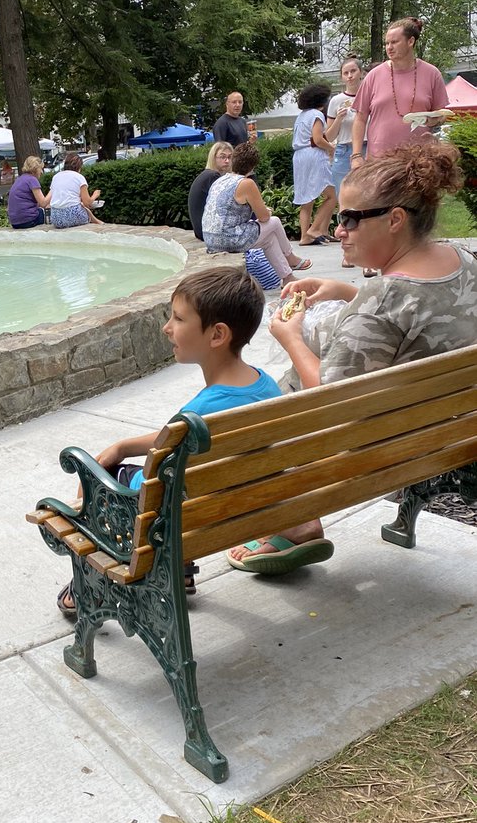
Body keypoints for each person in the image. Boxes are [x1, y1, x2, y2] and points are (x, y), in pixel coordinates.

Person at [228, 141, 477, 574]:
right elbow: (420, 313)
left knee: (261, 404)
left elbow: (330, 402)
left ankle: (299, 522)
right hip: (451, 432)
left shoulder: (384, 298)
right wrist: (348, 291)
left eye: (350, 218)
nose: (338, 230)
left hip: (382, 451)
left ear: (395, 219)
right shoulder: (463, 261)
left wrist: (290, 337)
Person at [57, 267, 282, 616]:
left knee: (98, 482)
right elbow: (168, 441)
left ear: (217, 334)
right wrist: (123, 445)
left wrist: (113, 460)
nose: (167, 327)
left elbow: (158, 470)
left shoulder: (200, 412)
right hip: (233, 510)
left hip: (184, 518)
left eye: (178, 318)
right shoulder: (265, 387)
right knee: (162, 480)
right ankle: (181, 571)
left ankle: (90, 581)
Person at [201, 142, 312, 285]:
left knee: (269, 239)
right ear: (253, 167)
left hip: (211, 238)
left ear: (233, 161)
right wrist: (266, 211)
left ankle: (288, 278)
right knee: (275, 221)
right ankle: (291, 258)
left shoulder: (220, 180)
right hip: (229, 238)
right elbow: (264, 217)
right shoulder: (246, 183)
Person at [350, 17, 448, 166]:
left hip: (419, 162)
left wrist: (434, 119)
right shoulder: (373, 76)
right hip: (380, 162)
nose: (389, 47)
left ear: (410, 41)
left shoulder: (432, 73)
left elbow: (442, 114)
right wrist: (356, 156)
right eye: (387, 43)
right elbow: (360, 118)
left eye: (394, 42)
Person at [325, 57, 364, 267]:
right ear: (342, 76)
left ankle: (367, 252)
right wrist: (339, 118)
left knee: (368, 199)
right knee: (344, 201)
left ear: (360, 72)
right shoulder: (336, 101)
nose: (349, 76)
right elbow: (328, 136)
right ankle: (347, 251)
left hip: (366, 147)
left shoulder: (369, 95)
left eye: (353, 71)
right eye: (345, 73)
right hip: (343, 149)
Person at [292, 83, 338, 246]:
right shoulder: (316, 116)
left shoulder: (301, 116)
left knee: (307, 199)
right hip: (314, 156)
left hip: (299, 157)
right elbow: (318, 139)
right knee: (332, 194)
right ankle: (317, 229)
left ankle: (305, 236)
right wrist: (331, 148)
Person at [187, 142, 233, 240]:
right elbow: (225, 205)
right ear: (213, 158)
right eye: (222, 157)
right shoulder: (213, 176)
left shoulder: (208, 175)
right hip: (208, 232)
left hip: (201, 230)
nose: (227, 161)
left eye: (230, 157)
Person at [48, 152, 102, 228]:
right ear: (79, 166)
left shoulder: (56, 177)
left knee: (82, 206)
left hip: (55, 217)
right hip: (73, 216)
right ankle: (99, 223)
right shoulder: (79, 177)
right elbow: (87, 203)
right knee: (84, 207)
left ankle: (99, 222)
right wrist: (95, 195)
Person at [7, 155, 51, 228]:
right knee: (51, 213)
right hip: (28, 220)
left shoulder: (20, 179)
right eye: (41, 169)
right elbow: (43, 203)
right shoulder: (32, 180)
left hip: (15, 222)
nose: (42, 172)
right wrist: (53, 189)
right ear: (35, 169)